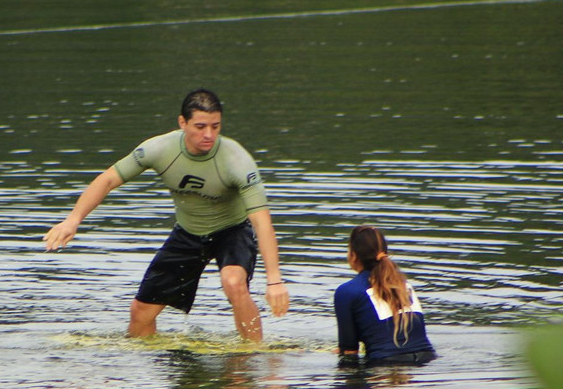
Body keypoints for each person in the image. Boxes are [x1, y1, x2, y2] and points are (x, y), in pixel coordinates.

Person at [43, 89, 289, 341]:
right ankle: (154, 364)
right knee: (141, 313)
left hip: (232, 231)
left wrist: (274, 281)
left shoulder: (236, 160)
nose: (209, 135)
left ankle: (252, 356)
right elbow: (107, 179)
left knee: (234, 282)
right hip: (188, 233)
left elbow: (262, 222)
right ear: (182, 123)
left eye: (216, 127)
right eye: (200, 126)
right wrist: (73, 220)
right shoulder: (159, 148)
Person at [334, 225, 437, 366]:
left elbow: (349, 352)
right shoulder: (404, 285)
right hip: (427, 360)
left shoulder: (347, 291)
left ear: (353, 255)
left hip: (385, 365)